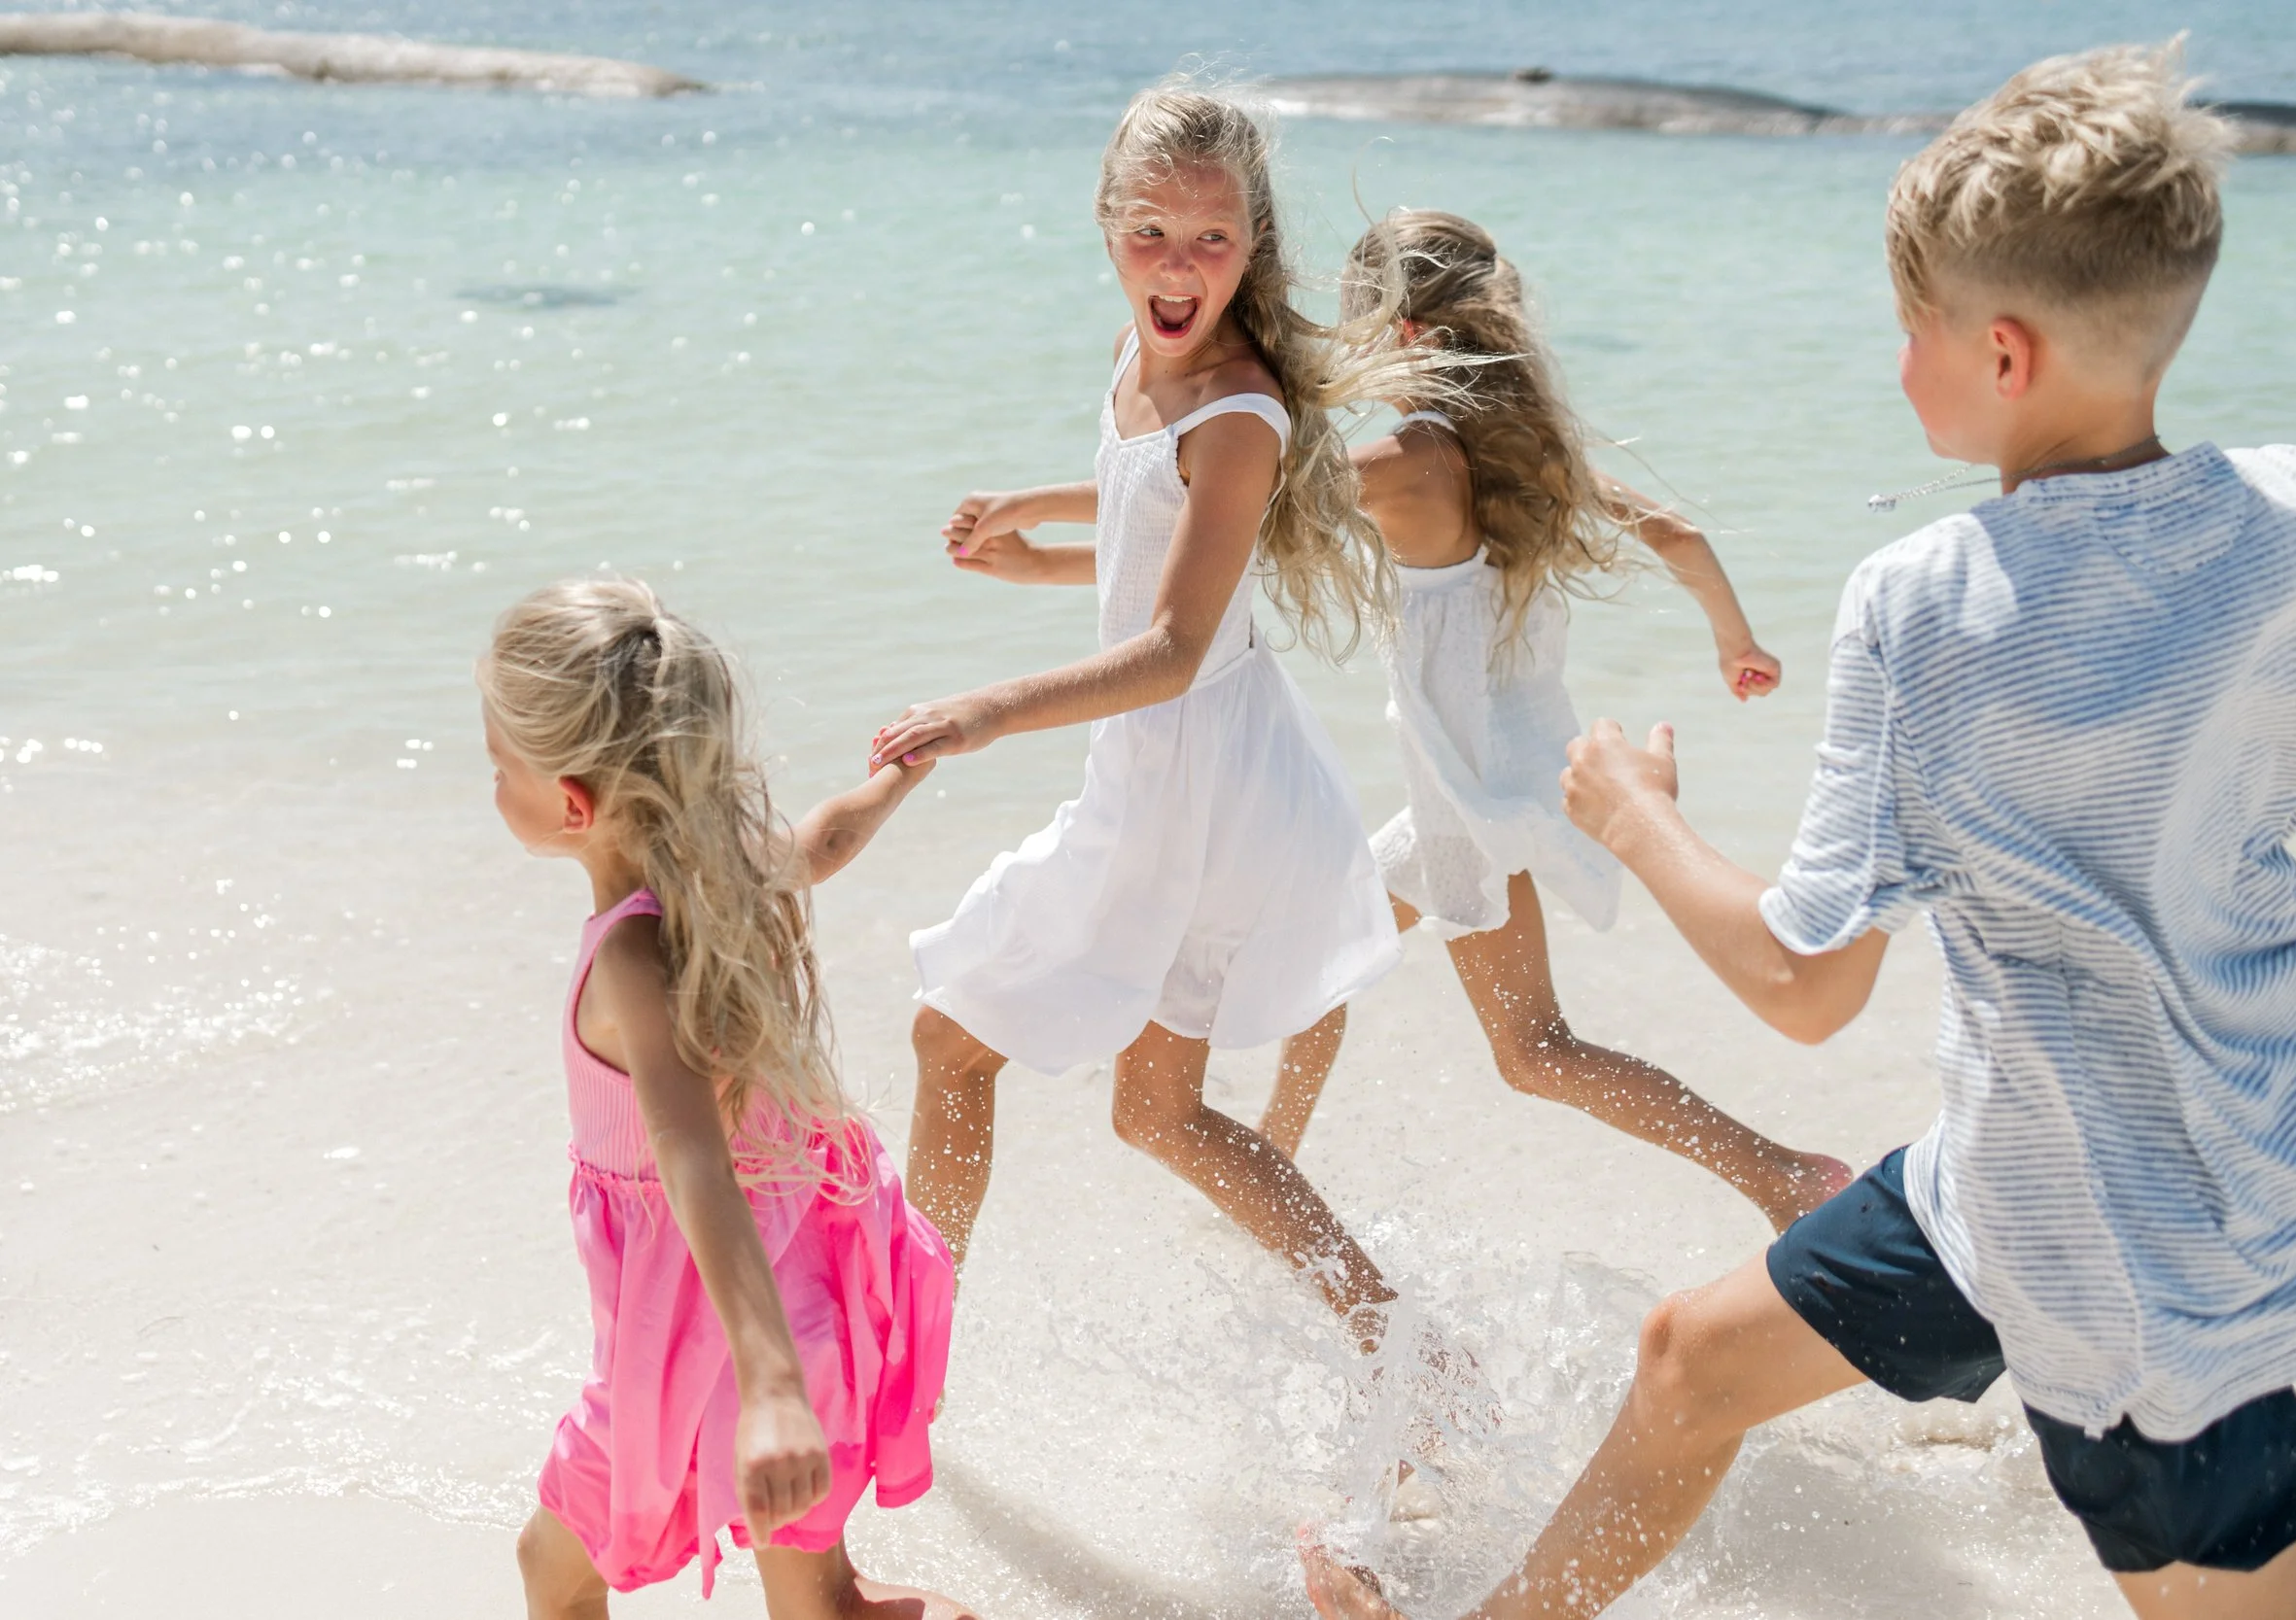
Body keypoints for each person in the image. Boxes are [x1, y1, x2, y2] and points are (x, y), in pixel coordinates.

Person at [1305, 42, 2296, 1620]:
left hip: (2114, 1241)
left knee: (2219, 1590)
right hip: (2228, 1158)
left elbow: (1801, 982)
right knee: (1690, 1356)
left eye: (1916, 328)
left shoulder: (1933, 601)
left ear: (2006, 353)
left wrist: (1631, 817)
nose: (1897, 360)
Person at [869, 81, 1440, 1349]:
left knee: (958, 1040)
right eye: (1151, 235)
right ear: (1105, 222)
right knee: (1155, 1110)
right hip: (1183, 769)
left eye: (1212, 241)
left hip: (1192, 783)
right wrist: (1035, 521)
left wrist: (989, 707)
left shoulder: (1243, 414)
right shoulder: (1142, 350)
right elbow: (1162, 542)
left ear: (1253, 244)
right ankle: (1411, 1346)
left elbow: (1176, 644)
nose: (1179, 268)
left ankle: (904, 1354)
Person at [1256, 210, 1849, 1233]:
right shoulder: (1522, 452)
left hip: (1478, 799)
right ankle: (1270, 1166)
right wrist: (1733, 640)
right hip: (1499, 773)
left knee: (1534, 1049)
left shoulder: (1405, 460)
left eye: (1350, 329)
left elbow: (1230, 505)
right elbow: (1677, 530)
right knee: (1320, 952)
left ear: (1397, 336)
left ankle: (1783, 1175)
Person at [481, 578, 971, 1619]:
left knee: (552, 1564)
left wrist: (771, 1382)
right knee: (815, 1584)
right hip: (803, 1265)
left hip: (711, 1315)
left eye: (498, 765)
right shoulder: (722, 874)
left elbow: (691, 1151)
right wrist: (892, 780)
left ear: (572, 802)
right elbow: (824, 842)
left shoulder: (629, 950)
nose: (491, 783)